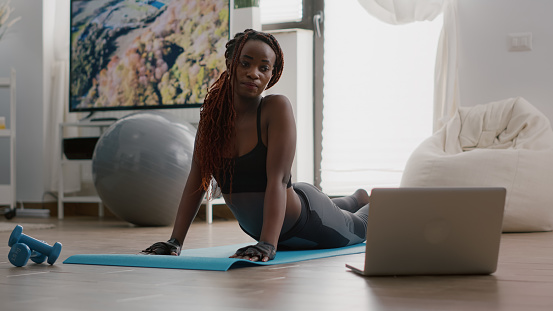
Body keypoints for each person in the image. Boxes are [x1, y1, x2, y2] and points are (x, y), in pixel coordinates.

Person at [141, 29, 370, 262]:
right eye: (245, 64)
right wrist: (175, 241)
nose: (253, 74)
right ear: (230, 64)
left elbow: (278, 180)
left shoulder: (275, 108)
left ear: (273, 74)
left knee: (361, 226)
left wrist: (267, 244)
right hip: (267, 224)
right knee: (341, 208)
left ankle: (365, 200)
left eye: (264, 68)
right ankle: (355, 198)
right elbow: (197, 179)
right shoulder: (211, 117)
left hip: (308, 222)